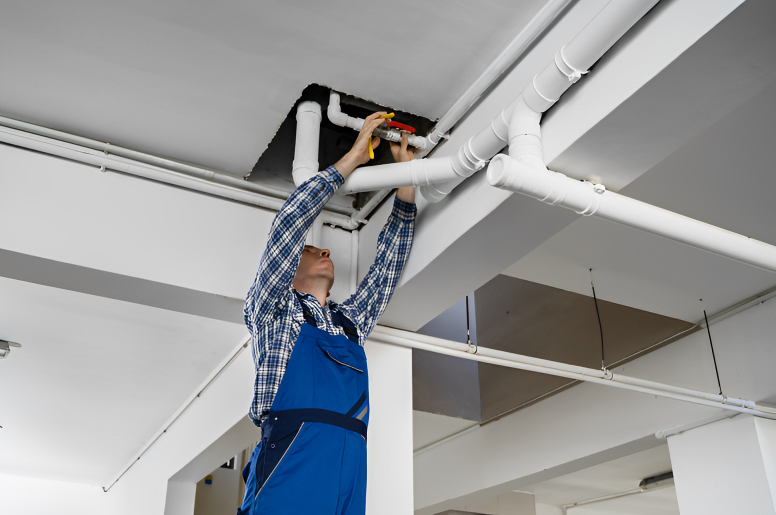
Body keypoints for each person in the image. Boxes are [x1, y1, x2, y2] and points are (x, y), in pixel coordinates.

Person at [238, 111, 416, 515]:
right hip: (293, 457)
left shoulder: (348, 324)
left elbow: (387, 267)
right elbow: (288, 224)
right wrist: (350, 160)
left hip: (351, 463)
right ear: (288, 270)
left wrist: (408, 179)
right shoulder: (273, 310)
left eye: (324, 249)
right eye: (312, 250)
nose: (325, 251)